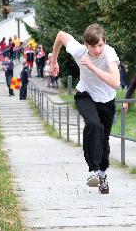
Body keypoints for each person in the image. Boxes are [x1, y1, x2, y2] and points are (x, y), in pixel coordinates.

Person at [50, 23, 120, 194]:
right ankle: (93, 171)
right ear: (86, 44)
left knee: (103, 138)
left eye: (100, 45)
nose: (97, 50)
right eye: (93, 46)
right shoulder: (78, 50)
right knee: (93, 124)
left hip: (107, 100)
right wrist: (54, 61)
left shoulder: (109, 54)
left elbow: (115, 83)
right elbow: (60, 35)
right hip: (85, 95)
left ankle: (102, 175)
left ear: (105, 42)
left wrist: (92, 66)